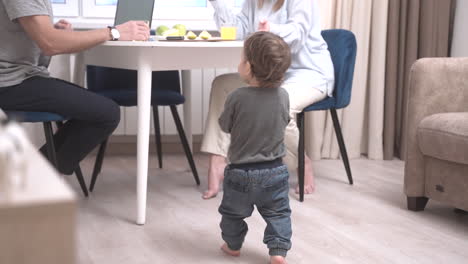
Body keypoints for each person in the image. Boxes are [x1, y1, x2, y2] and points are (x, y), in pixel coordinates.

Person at [202, 0, 335, 199]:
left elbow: (298, 35)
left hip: (308, 74)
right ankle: (218, 161)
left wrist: (271, 30)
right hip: (271, 74)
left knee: (281, 104)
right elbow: (239, 32)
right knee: (223, 85)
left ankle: (302, 163)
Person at [0, 0, 150, 175]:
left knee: (101, 110)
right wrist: (114, 32)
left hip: (20, 79)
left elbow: (40, 38)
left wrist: (55, 33)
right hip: (9, 83)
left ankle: (33, 175)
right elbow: (50, 43)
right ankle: (34, 177)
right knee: (106, 113)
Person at [218, 31, 292, 264]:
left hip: (240, 172)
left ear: (248, 67)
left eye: (241, 59)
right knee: (278, 214)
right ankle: (278, 251)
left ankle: (232, 245)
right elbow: (284, 121)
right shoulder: (283, 96)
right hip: (275, 172)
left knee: (232, 214)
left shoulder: (236, 97)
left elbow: (225, 126)